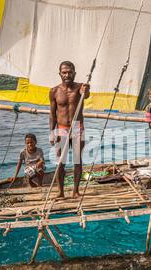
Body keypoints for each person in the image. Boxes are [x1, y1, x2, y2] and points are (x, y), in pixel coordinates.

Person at [49, 61, 90, 199]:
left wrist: (86, 89)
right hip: (61, 129)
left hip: (77, 128)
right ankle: (60, 192)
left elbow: (86, 94)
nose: (67, 75)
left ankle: (75, 191)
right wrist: (51, 132)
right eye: (64, 72)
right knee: (60, 162)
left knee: (77, 160)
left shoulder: (80, 88)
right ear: (60, 74)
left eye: (70, 72)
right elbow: (52, 114)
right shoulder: (54, 91)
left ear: (74, 73)